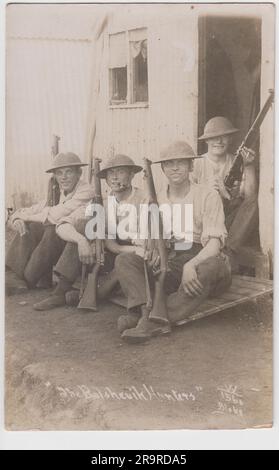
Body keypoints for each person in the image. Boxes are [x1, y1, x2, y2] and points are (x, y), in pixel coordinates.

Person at [114, 140, 232, 343]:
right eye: (169, 163)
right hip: (169, 260)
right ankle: (148, 314)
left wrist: (191, 265)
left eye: (181, 162)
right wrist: (151, 253)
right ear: (162, 169)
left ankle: (149, 318)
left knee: (214, 266)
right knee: (125, 261)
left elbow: (215, 243)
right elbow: (146, 241)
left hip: (201, 257)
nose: (175, 167)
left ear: (191, 166)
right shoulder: (155, 200)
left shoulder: (207, 195)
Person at [33, 154, 146, 311]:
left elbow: (146, 244)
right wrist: (82, 241)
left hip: (137, 258)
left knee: (122, 266)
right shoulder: (103, 203)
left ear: (132, 174)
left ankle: (96, 293)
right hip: (111, 255)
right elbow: (63, 224)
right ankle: (61, 292)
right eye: (109, 173)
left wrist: (119, 247)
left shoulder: (144, 200)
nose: (114, 177)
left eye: (120, 172)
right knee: (83, 229)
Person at [6, 152, 94, 295]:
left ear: (79, 173)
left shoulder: (86, 191)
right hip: (57, 240)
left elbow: (54, 215)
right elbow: (33, 209)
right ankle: (13, 274)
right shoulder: (57, 191)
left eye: (68, 172)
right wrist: (17, 218)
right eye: (59, 173)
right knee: (30, 226)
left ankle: (27, 278)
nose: (63, 177)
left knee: (48, 227)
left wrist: (27, 217)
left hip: (73, 245)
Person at [193, 116, 258, 267]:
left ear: (230, 139)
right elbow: (189, 198)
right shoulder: (196, 163)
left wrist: (248, 166)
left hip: (229, 220)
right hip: (204, 222)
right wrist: (209, 193)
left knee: (253, 204)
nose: (219, 141)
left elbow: (249, 198)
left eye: (224, 136)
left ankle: (227, 251)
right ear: (207, 140)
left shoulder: (236, 161)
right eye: (214, 137)